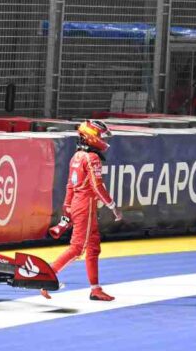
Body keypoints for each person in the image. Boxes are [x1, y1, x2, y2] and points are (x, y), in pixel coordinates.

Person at [43, 119, 123, 301]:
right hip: (86, 205)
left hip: (79, 205)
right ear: (92, 137)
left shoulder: (76, 156)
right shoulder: (92, 158)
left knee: (93, 247)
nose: (102, 139)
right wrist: (113, 207)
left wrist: (67, 210)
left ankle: (95, 289)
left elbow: (70, 186)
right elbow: (97, 187)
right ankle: (47, 276)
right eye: (100, 135)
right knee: (78, 248)